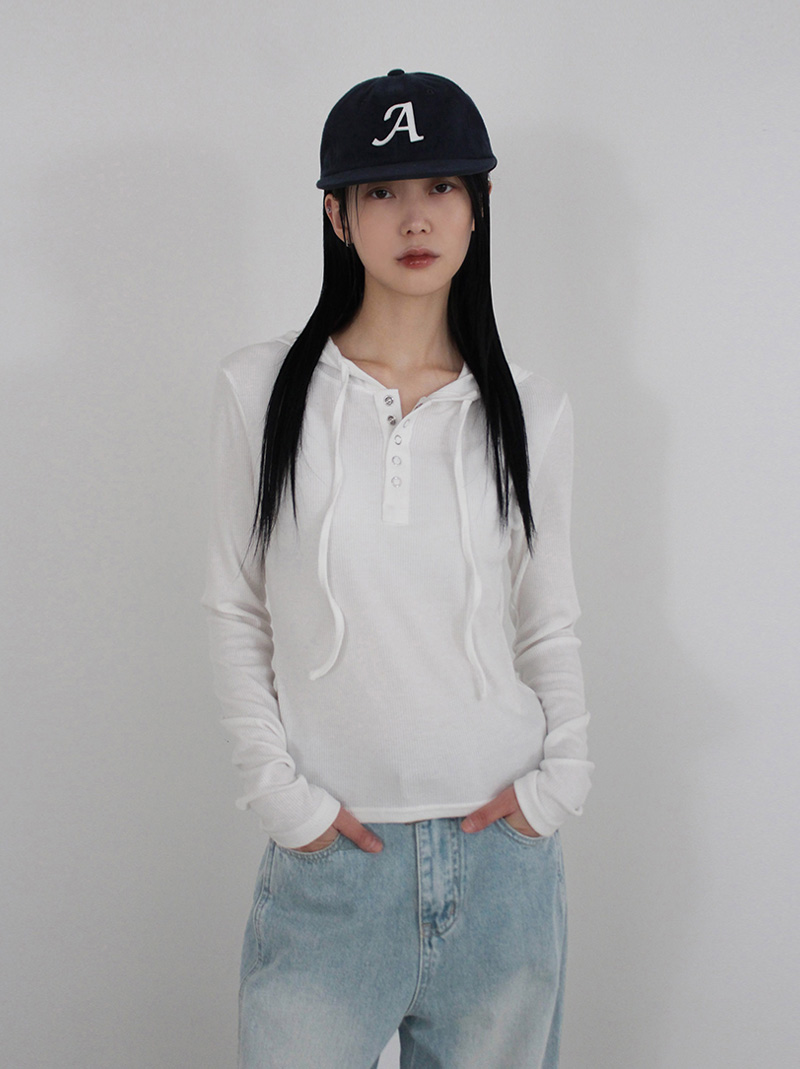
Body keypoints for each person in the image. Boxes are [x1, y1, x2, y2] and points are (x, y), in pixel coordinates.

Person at [202, 69, 593, 1069]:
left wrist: (559, 783)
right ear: (337, 214)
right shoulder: (261, 390)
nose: (415, 217)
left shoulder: (530, 409)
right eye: (381, 190)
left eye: (441, 186)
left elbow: (546, 618)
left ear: (477, 206)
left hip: (502, 862)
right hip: (332, 865)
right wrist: (282, 800)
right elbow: (236, 608)